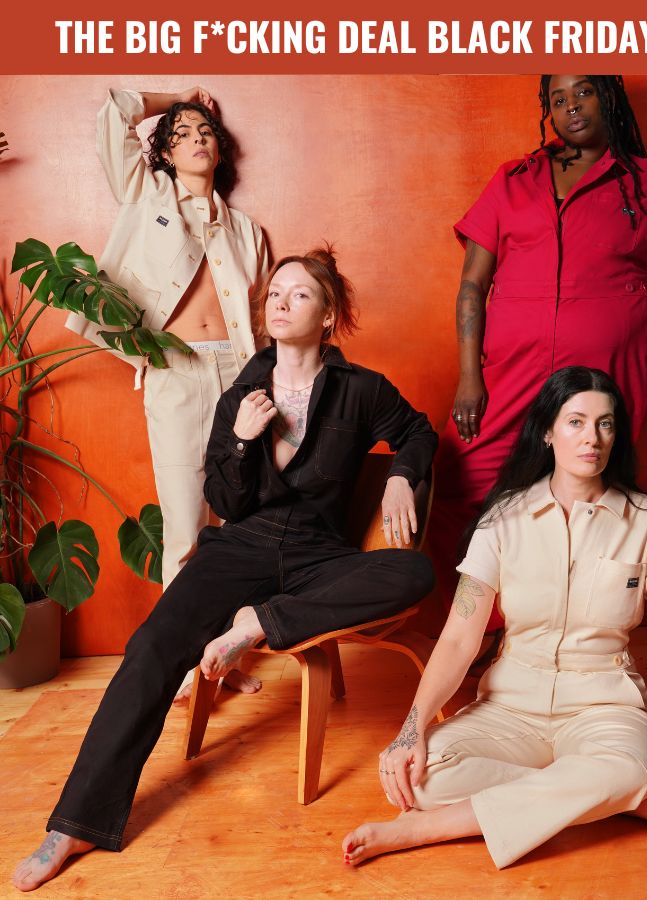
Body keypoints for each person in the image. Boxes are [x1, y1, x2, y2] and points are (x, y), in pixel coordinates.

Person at [12, 248, 438, 892]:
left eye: (300, 294)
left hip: (320, 553)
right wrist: (241, 438)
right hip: (240, 547)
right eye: (275, 294)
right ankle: (73, 824)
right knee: (153, 646)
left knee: (412, 575)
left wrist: (403, 476)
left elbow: (420, 433)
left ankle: (257, 624)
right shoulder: (240, 393)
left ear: (328, 317)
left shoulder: (361, 389)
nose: (282, 302)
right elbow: (229, 503)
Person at [342, 366, 647, 870]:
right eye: (575, 421)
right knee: (420, 773)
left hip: (605, 707)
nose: (592, 438)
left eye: (606, 424)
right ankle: (606, 802)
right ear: (547, 431)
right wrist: (412, 728)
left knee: (629, 767)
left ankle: (430, 827)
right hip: (510, 707)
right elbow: (458, 639)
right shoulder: (501, 520)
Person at [429, 75, 647, 630]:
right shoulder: (513, 180)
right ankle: (484, 632)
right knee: (462, 482)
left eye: (582, 92)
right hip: (509, 373)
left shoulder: (644, 180)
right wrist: (468, 377)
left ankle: (576, 634)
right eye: (557, 99)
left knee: (589, 501)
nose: (570, 107)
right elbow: (470, 287)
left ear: (609, 99)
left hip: (607, 373)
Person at [66, 86, 271, 695]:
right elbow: (112, 112)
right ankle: (181, 662)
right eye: (180, 133)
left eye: (205, 130)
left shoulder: (246, 231)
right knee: (184, 523)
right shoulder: (145, 194)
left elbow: (258, 317)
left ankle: (222, 658)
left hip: (238, 374)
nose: (196, 138)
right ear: (163, 152)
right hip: (176, 373)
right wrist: (177, 98)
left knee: (238, 522)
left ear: (221, 149)